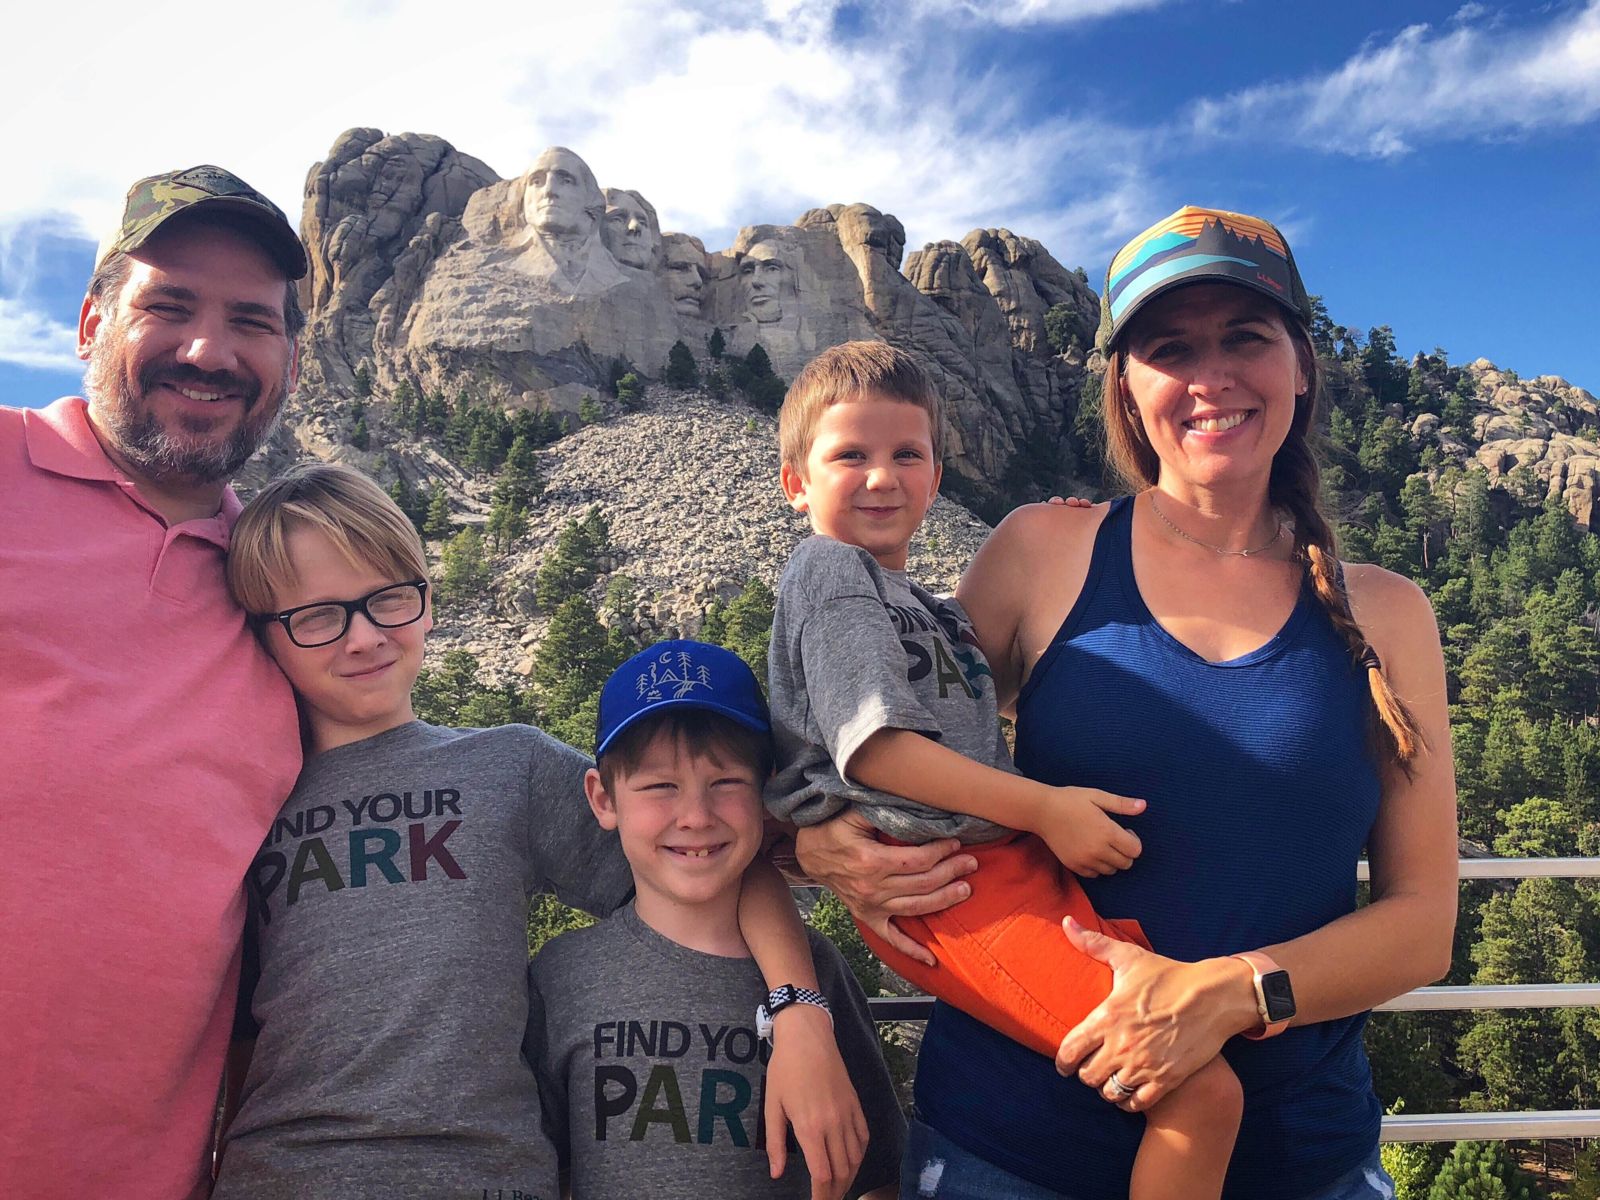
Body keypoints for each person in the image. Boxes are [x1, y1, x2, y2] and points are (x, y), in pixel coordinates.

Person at [794, 207, 1458, 1199]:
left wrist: (1227, 996)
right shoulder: (1041, 551)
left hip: (1298, 1162)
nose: (1210, 376)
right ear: (1124, 386)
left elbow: (1422, 926)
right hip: (1006, 1153)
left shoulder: (1388, 616)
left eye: (1246, 337)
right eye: (1168, 348)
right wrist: (808, 846)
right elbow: (880, 728)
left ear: (1302, 366)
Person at [215, 464, 868, 1198]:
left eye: (388, 600)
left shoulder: (509, 765)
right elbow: (234, 1016)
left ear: (428, 602)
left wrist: (799, 1010)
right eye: (318, 616)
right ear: (263, 635)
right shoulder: (239, 797)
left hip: (485, 1173)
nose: (364, 637)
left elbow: (717, 863)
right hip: (279, 1175)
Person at [764, 340, 1241, 1198]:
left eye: (907, 453)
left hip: (995, 870)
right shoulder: (828, 570)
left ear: (937, 475)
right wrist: (1045, 809)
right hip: (952, 885)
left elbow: (999, 690)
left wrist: (1064, 538)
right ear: (797, 483)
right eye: (850, 456)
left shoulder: (924, 607)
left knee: (1204, 1024)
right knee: (1202, 1090)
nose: (882, 476)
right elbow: (875, 748)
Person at [0, 165, 308, 1199]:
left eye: (250, 322)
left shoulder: (293, 595)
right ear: (89, 322)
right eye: (166, 306)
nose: (209, 351)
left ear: (293, 363)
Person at [526, 640, 905, 1199]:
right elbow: (541, 1167)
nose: (696, 817)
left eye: (725, 782)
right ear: (604, 800)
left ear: (766, 791)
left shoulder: (816, 970)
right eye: (660, 786)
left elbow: (879, 1172)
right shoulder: (560, 976)